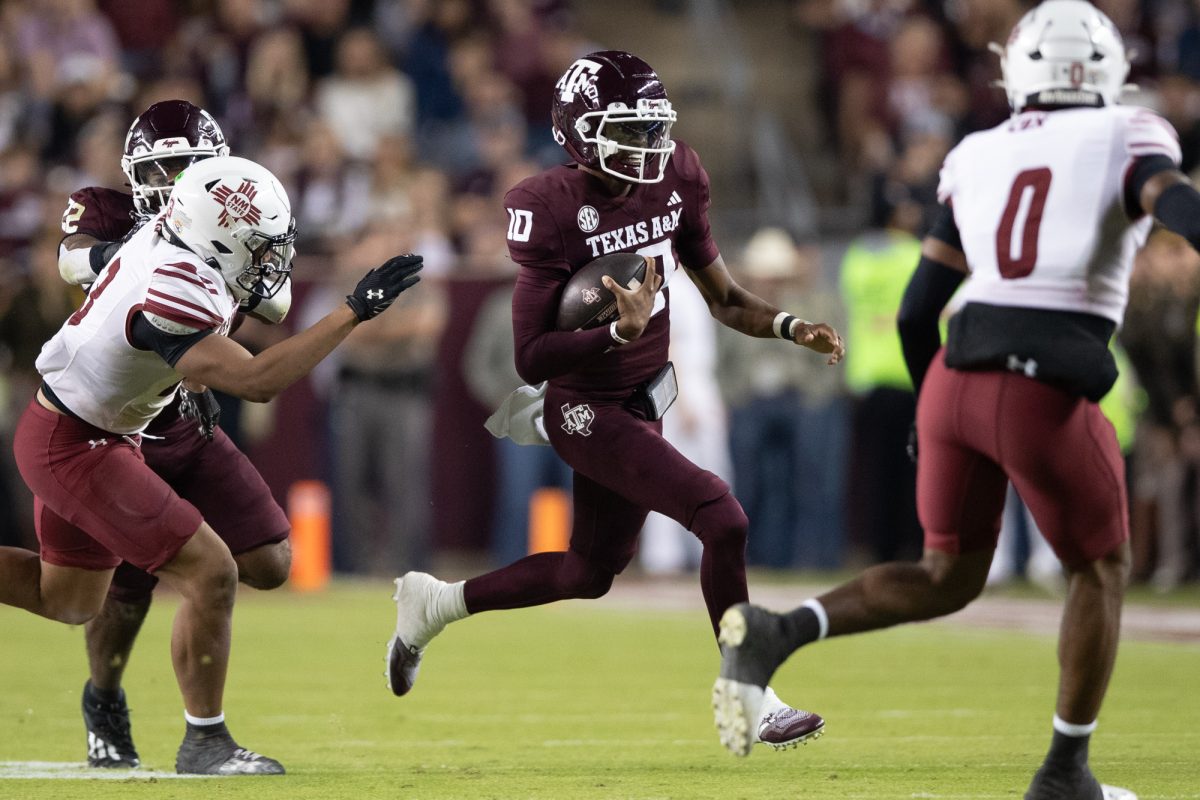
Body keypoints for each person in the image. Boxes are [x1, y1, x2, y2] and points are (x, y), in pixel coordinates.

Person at [713, 2, 1198, 797]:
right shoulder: (1129, 134)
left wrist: (927, 411)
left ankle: (775, 631)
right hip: (1040, 376)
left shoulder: (978, 152)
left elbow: (914, 309)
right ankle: (1065, 773)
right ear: (1106, 72)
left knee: (947, 576)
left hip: (951, 377)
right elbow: (1168, 199)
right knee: (1102, 565)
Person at [384, 50, 844, 752]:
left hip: (641, 400)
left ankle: (433, 604)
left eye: (653, 129)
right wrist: (615, 331)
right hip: (582, 407)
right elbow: (530, 356)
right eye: (627, 132)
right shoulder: (548, 207)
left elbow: (722, 299)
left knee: (587, 572)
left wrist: (786, 326)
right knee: (722, 517)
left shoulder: (678, 177)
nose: (648, 147)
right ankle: (751, 693)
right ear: (579, 131)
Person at [4, 154, 423, 775]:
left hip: (95, 427)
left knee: (65, 600)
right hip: (78, 441)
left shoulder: (176, 237)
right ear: (218, 237)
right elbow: (255, 381)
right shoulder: (171, 285)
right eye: (257, 246)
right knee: (210, 571)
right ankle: (206, 740)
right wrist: (352, 311)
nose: (268, 259)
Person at [56, 100, 293, 770]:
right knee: (124, 592)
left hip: (187, 418)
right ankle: (104, 698)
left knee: (270, 561)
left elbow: (276, 302)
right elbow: (72, 262)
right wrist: (159, 245)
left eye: (186, 167)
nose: (170, 182)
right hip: (114, 425)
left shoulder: (238, 207)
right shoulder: (101, 208)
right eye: (158, 169)